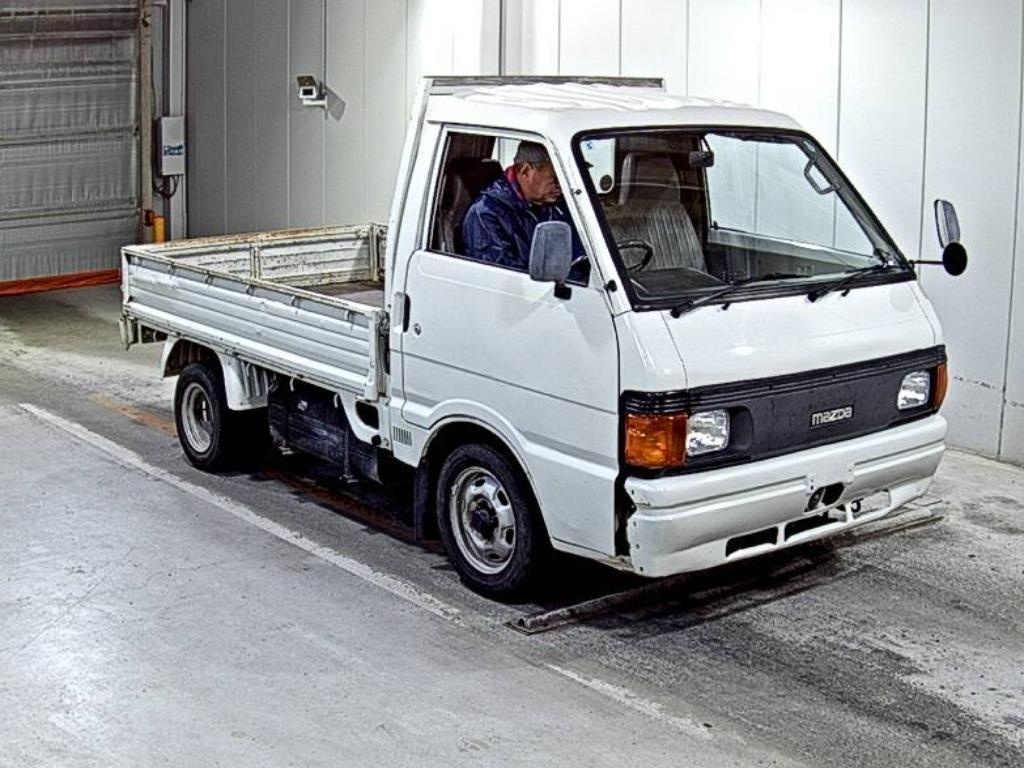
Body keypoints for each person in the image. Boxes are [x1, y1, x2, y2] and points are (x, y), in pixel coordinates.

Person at [462, 141, 586, 277]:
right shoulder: (485, 214)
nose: (562, 187)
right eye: (556, 179)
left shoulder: (558, 204)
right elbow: (504, 278)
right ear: (526, 171)